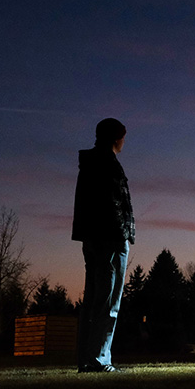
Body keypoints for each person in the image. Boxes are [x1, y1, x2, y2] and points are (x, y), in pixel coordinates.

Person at [72, 118, 135, 373]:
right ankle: (100, 358)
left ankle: (87, 358)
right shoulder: (108, 165)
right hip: (110, 238)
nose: (124, 141)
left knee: (93, 299)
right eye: (123, 136)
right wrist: (122, 234)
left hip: (93, 238)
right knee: (108, 301)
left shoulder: (89, 163)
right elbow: (113, 203)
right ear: (115, 138)